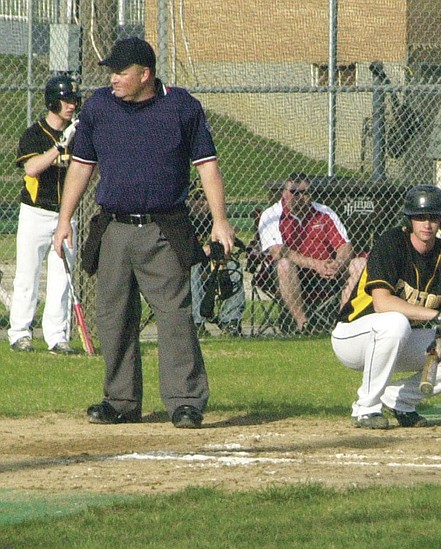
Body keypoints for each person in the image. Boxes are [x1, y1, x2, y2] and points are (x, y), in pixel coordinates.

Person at [53, 37, 236, 429]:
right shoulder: (99, 107)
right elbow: (82, 167)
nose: (113, 79)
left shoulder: (182, 107)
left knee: (175, 317)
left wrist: (220, 221)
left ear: (145, 75)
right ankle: (121, 401)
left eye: (121, 72)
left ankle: (185, 401)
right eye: (112, 73)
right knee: (114, 317)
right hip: (114, 228)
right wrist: (64, 219)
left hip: (163, 228)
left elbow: (208, 167)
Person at [331, 185, 441, 429]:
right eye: (420, 217)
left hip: (398, 339)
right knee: (395, 322)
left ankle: (400, 400)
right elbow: (382, 303)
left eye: (433, 217)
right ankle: (366, 408)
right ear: (409, 220)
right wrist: (437, 316)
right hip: (353, 336)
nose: (427, 224)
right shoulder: (391, 243)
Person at [8, 75, 81, 355]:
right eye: (66, 100)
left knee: (62, 278)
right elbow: (31, 169)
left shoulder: (77, 134)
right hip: (35, 213)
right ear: (52, 101)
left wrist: (74, 141)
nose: (71, 105)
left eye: (74, 100)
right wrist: (59, 147)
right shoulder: (35, 134)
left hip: (65, 214)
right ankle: (20, 333)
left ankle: (56, 336)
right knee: (28, 275)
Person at [257, 172, 366, 333]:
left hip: (327, 273)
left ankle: (343, 321)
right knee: (284, 264)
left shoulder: (324, 212)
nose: (300, 197)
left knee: (360, 264)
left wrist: (338, 264)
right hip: (289, 274)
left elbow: (345, 247)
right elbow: (278, 251)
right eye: (294, 192)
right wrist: (316, 265)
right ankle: (304, 324)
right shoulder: (271, 215)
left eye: (305, 192)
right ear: (284, 193)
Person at [188, 185, 244, 337]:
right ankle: (197, 324)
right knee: (195, 267)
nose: (201, 202)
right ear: (189, 200)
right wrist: (204, 251)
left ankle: (231, 322)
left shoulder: (217, 220)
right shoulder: (184, 219)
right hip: (187, 268)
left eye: (205, 198)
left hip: (213, 267)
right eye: (196, 198)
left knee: (233, 266)